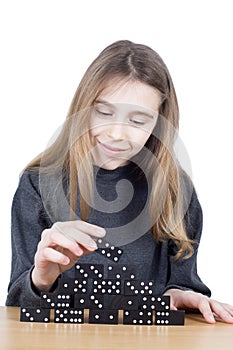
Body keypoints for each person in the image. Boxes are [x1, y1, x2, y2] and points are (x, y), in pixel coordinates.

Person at [6, 40, 233, 324]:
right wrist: (41, 277)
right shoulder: (37, 185)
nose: (116, 134)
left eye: (138, 121)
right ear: (83, 107)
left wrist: (181, 294)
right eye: (103, 113)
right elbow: (16, 306)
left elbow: (182, 283)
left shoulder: (177, 192)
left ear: (160, 122)